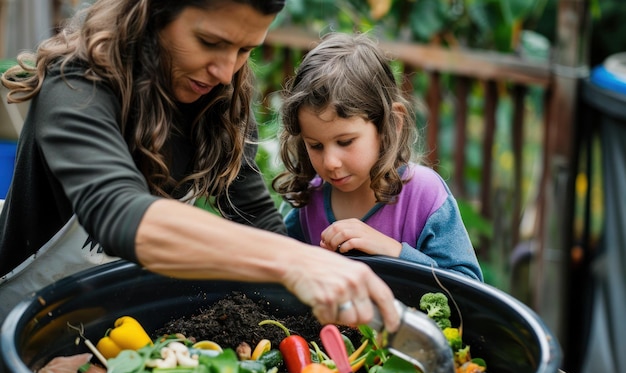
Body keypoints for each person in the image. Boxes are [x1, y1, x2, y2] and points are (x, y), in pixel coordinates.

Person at [0, 1, 401, 333]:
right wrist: (295, 262)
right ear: (156, 12)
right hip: (28, 328)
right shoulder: (76, 83)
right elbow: (117, 212)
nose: (227, 72)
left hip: (129, 327)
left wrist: (312, 313)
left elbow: (253, 214)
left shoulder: (217, 97)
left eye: (245, 50)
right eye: (210, 42)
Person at [272, 32, 483, 282]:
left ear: (391, 124)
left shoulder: (425, 196)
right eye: (315, 145)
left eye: (345, 142)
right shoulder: (309, 201)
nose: (330, 162)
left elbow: (469, 287)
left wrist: (394, 252)